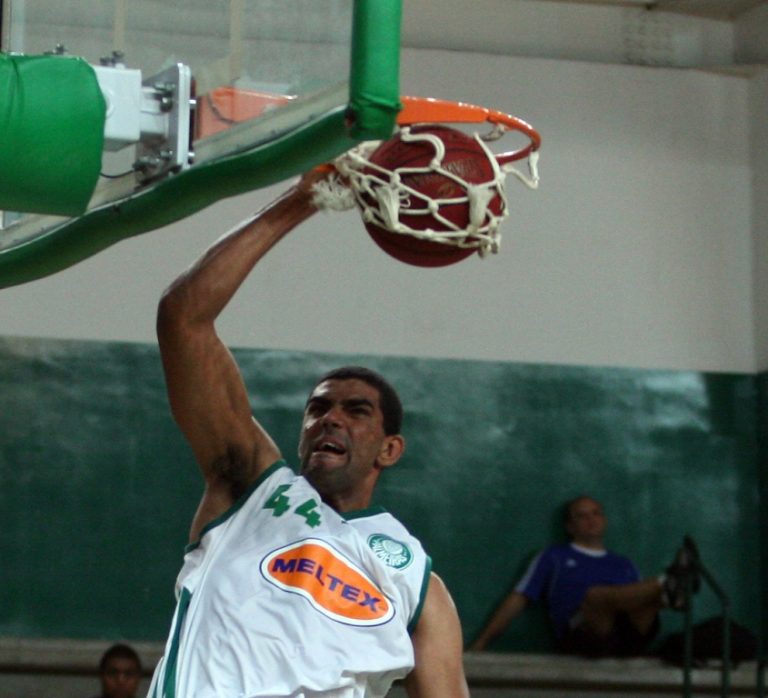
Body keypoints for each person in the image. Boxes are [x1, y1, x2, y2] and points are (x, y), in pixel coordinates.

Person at [147, 170, 469, 698]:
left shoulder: (417, 580)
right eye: (318, 408)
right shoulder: (252, 490)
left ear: (390, 449)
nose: (331, 419)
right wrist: (304, 199)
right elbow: (183, 318)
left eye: (356, 411)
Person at [468, 495, 699, 658]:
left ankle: (667, 592)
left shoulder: (623, 564)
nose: (591, 519)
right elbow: (518, 598)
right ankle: (667, 584)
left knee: (644, 602)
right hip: (586, 635)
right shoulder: (554, 557)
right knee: (596, 595)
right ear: (570, 526)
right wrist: (481, 644)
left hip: (628, 637)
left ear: (604, 520)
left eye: (596, 513)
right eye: (582, 516)